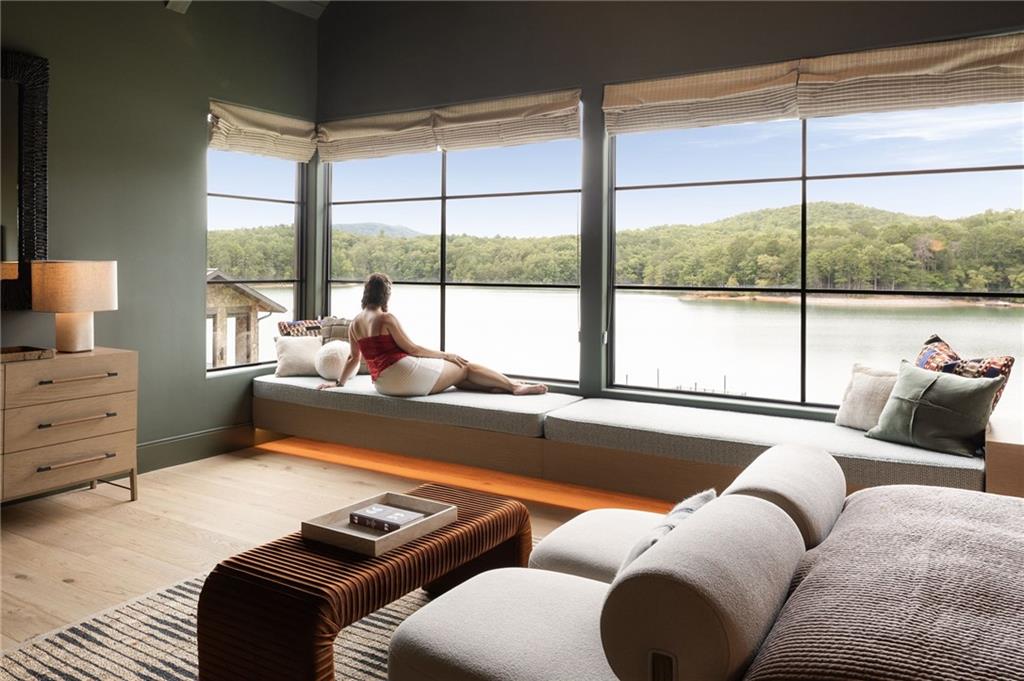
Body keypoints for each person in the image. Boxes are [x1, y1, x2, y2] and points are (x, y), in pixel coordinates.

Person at [319, 273, 548, 397]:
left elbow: (354, 359)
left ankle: (497, 388)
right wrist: (445, 355)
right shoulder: (386, 318)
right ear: (385, 295)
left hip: (383, 384)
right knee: (463, 366)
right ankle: (514, 386)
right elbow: (413, 350)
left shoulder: (354, 324)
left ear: (366, 294)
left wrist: (338, 383)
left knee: (457, 377)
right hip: (402, 376)